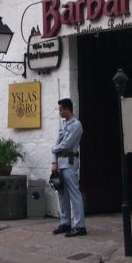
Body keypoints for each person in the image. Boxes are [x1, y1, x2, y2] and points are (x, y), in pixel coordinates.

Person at [51, 98, 85, 237]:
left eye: (60, 109)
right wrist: (54, 162)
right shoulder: (63, 125)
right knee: (62, 194)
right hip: (60, 163)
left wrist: (54, 149)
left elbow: (65, 144)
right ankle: (65, 223)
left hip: (70, 162)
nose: (59, 112)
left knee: (74, 194)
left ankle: (80, 226)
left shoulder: (76, 125)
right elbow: (57, 142)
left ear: (67, 109)